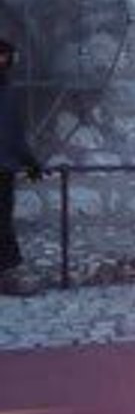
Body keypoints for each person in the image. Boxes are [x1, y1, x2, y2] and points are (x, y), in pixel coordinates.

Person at [0, 38, 43, 297]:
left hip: (3, 168)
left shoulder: (8, 92)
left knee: (3, 222)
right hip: (3, 167)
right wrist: (30, 162)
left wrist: (30, 162)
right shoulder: (8, 92)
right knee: (2, 223)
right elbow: (13, 135)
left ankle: (9, 273)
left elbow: (13, 134)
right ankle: (10, 273)